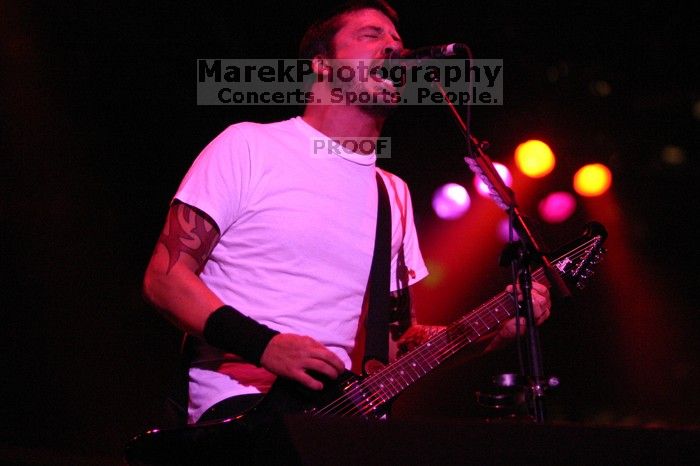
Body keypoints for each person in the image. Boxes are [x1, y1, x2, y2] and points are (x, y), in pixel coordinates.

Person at [143, 0, 551, 425]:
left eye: (396, 40)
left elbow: (397, 344)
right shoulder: (248, 146)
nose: (393, 48)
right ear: (322, 65)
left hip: (334, 417)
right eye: (371, 35)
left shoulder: (392, 193)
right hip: (239, 411)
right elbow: (165, 279)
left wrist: (489, 332)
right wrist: (266, 346)